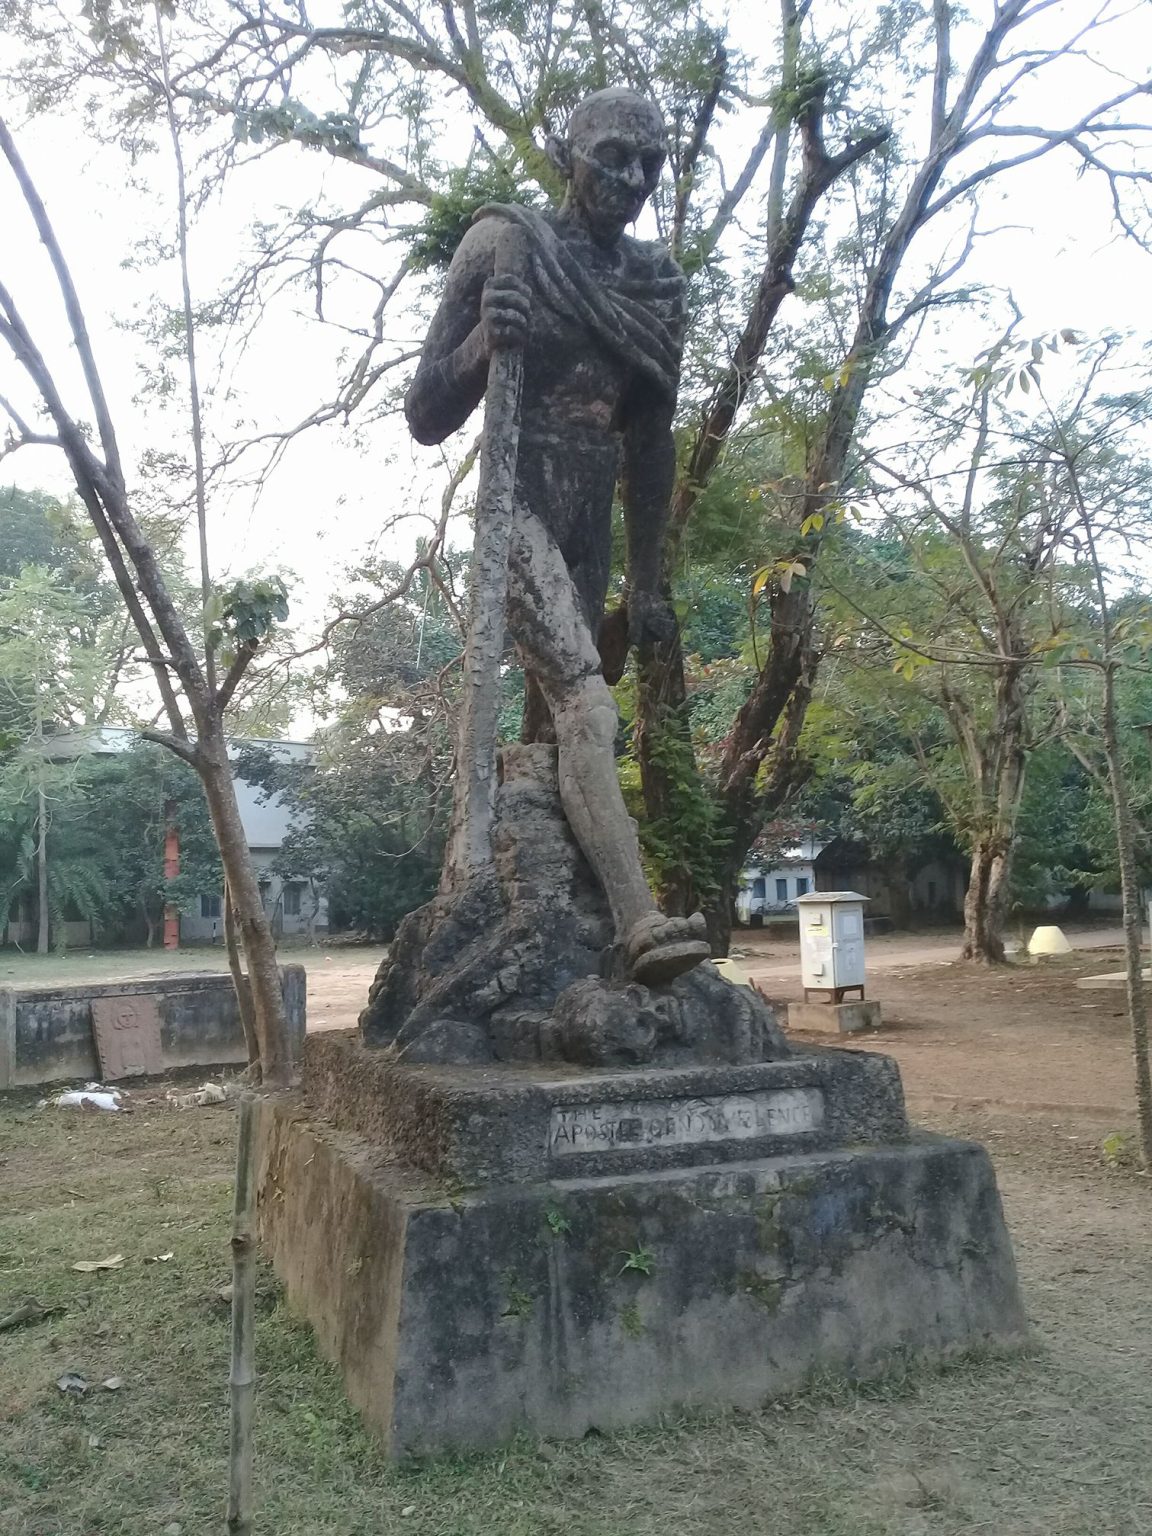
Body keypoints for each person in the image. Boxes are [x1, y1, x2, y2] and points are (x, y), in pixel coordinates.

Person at [405, 87, 709, 986]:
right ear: (567, 151)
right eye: (614, 155)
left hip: (591, 520)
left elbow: (650, 443)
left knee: (562, 738)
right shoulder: (506, 245)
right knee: (589, 704)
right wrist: (480, 349)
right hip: (516, 506)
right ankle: (636, 918)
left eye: (649, 164)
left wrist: (646, 582)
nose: (632, 178)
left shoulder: (656, 282)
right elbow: (425, 409)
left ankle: (555, 932)